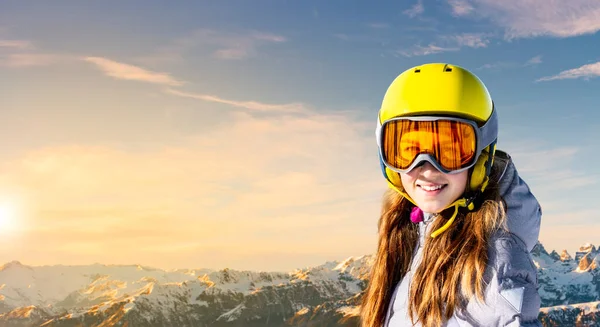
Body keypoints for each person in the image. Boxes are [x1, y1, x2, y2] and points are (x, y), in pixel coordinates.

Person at [359, 63, 543, 326]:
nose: (427, 168)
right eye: (409, 151)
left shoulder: (494, 270)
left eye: (450, 151)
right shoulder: (410, 229)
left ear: (481, 156)